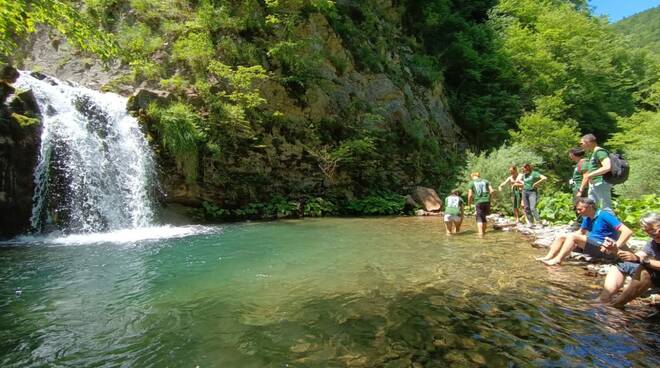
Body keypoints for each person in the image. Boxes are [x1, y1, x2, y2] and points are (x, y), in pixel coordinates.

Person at [535, 197, 633, 266]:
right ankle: (548, 257)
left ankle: (558, 260)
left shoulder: (604, 215)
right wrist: (565, 237)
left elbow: (627, 231)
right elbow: (581, 232)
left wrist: (616, 246)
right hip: (594, 243)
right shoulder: (587, 217)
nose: (578, 212)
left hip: (605, 248)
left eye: (580, 209)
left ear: (590, 207)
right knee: (562, 237)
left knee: (572, 237)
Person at [599, 213, 660, 308]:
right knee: (621, 263)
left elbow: (640, 259)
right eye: (647, 231)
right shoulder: (653, 243)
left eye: (653, 230)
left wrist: (640, 259)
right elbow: (638, 256)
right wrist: (615, 250)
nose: (651, 234)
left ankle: (617, 305)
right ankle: (604, 299)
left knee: (646, 271)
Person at [577, 134, 613, 214]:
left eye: (581, 143)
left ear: (588, 142)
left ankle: (613, 226)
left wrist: (590, 175)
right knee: (589, 207)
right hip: (594, 184)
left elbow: (607, 167)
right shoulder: (593, 153)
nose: (581, 145)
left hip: (601, 182)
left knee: (606, 207)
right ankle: (590, 225)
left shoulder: (600, 152)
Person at [467, 172, 494, 236]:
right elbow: (492, 191)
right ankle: (484, 233)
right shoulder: (486, 181)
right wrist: (490, 200)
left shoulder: (471, 183)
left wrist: (469, 203)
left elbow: (470, 195)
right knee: (483, 217)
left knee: (479, 218)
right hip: (487, 201)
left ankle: (480, 234)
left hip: (479, 201)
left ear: (472, 176)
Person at [568, 147, 588, 226]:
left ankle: (580, 224)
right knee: (576, 205)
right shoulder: (579, 163)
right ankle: (580, 223)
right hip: (576, 187)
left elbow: (586, 176)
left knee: (580, 205)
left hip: (580, 188)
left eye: (570, 153)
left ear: (573, 154)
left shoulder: (583, 162)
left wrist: (580, 190)